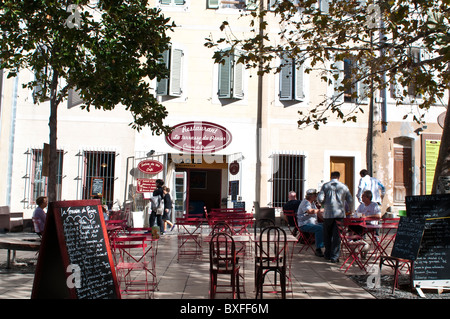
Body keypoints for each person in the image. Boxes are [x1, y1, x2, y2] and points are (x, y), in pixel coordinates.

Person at [318, 171, 353, 263]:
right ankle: (334, 256)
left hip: (328, 214)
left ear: (331, 177)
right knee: (337, 236)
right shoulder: (344, 186)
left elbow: (320, 198)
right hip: (339, 214)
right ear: (338, 177)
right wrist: (350, 210)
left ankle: (327, 254)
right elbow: (350, 199)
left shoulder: (325, 186)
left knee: (327, 234)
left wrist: (324, 203)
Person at [296, 189, 324, 257]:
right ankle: (318, 249)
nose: (316, 197)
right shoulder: (305, 203)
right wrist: (319, 210)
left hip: (313, 223)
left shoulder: (312, 203)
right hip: (304, 225)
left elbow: (317, 213)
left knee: (327, 226)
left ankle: (329, 246)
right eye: (315, 195)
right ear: (311, 196)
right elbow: (310, 211)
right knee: (319, 228)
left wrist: (325, 220)